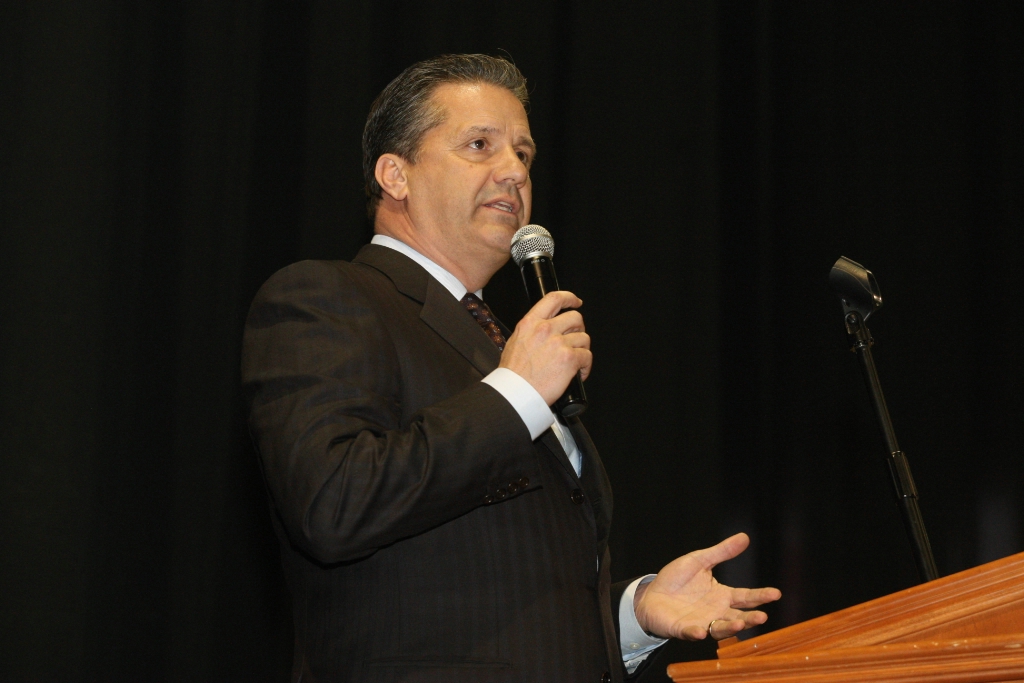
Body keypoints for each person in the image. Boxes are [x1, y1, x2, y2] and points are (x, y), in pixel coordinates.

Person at [241, 54, 780, 683]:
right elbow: (333, 503)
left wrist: (634, 614)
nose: (515, 172)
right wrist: (517, 391)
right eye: (480, 145)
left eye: (523, 154)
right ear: (395, 174)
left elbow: (501, 597)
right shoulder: (325, 297)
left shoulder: (495, 342)